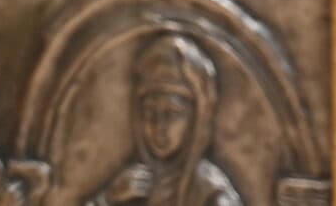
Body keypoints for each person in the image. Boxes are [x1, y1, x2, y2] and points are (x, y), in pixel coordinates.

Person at [86, 34, 241, 206]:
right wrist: (107, 200)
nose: (159, 127)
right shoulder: (133, 185)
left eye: (172, 114)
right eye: (150, 113)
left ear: (196, 120)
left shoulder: (210, 192)